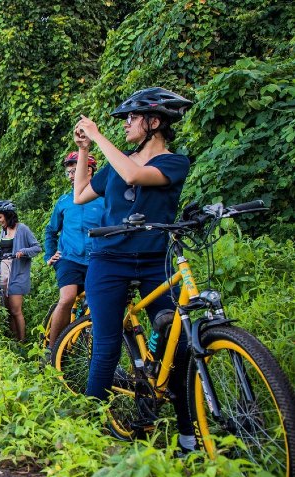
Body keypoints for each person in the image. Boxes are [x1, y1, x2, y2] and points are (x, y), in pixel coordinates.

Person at [71, 87, 196, 452]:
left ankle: (189, 435)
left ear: (154, 123)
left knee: (180, 345)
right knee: (107, 345)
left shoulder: (173, 162)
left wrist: (97, 134)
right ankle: (90, 433)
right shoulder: (116, 163)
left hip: (154, 261)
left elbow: (136, 176)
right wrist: (84, 150)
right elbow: (80, 193)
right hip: (109, 261)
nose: (126, 125)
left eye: (132, 118)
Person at [43, 152, 104, 350]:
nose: (70, 175)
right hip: (69, 258)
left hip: (97, 258)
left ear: (89, 170)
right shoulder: (64, 201)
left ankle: (90, 351)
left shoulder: (104, 199)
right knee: (67, 298)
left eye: (74, 170)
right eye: (68, 172)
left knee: (96, 304)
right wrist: (49, 255)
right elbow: (51, 230)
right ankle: (52, 352)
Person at [0, 200, 42, 341]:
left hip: (17, 274)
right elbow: (3, 251)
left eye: (0, 217)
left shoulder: (22, 229)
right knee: (7, 311)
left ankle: (22, 341)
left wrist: (23, 251)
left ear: (8, 215)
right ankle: (14, 342)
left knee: (16, 311)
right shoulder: (3, 231)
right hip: (4, 274)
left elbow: (37, 248)